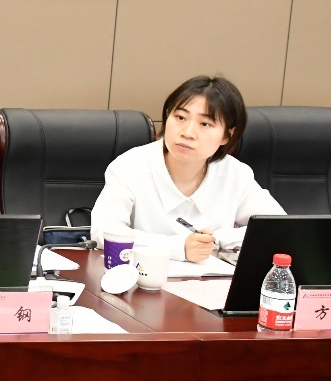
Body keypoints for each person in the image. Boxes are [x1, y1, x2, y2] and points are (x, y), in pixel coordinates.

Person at [90, 75, 283, 263]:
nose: (188, 133)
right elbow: (103, 232)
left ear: (227, 136)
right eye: (180, 117)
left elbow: (279, 228)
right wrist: (178, 247)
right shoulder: (131, 165)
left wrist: (216, 239)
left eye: (205, 124)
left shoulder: (235, 174)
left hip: (212, 282)